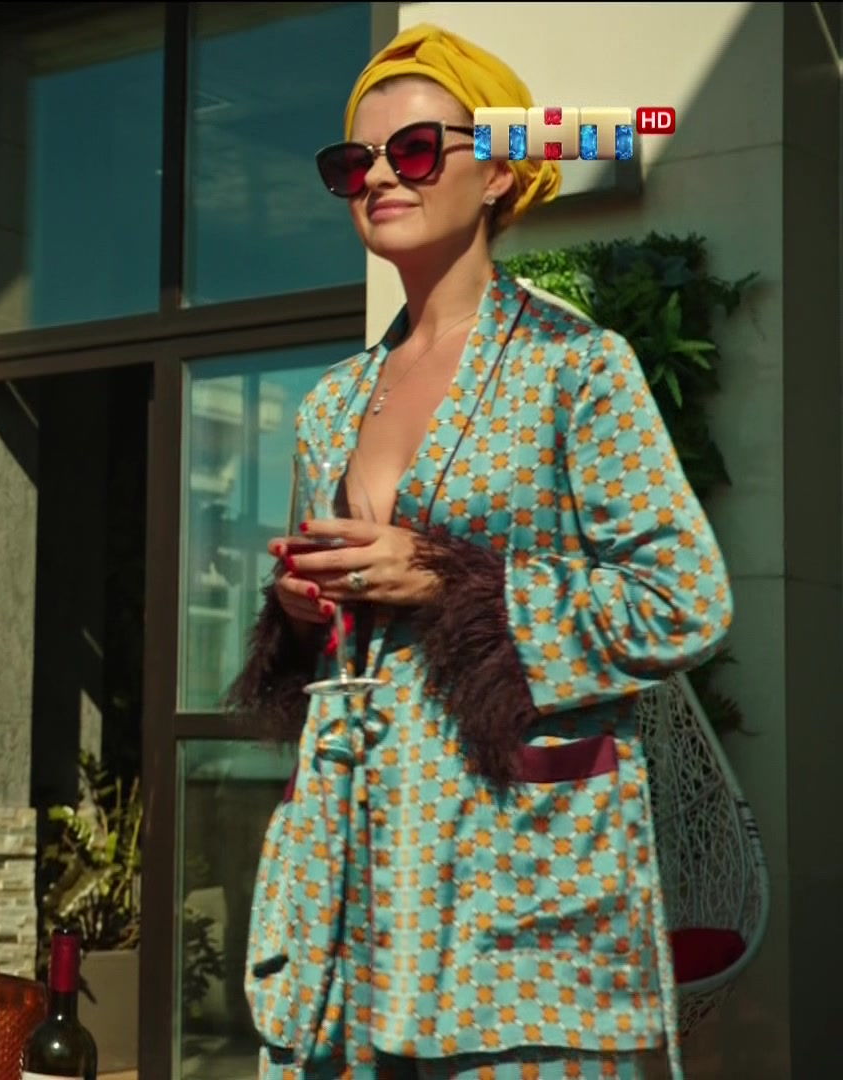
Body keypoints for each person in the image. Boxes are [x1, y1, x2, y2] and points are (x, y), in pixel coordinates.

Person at [227, 24, 731, 1080]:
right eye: (353, 162)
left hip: (517, 869)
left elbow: (682, 597)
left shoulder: (575, 366)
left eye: (414, 150)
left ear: (499, 169)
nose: (379, 177)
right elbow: (346, 634)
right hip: (358, 872)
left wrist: (449, 583)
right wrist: (308, 609)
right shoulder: (331, 404)